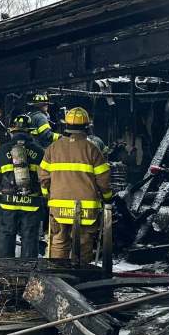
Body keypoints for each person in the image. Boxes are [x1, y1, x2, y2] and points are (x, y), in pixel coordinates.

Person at [38, 107, 112, 263]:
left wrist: (48, 195)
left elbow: (43, 177)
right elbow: (104, 180)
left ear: (66, 126)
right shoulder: (93, 149)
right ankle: (80, 277)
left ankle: (58, 276)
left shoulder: (53, 148)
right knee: (84, 244)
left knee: (58, 242)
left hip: (58, 207)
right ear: (87, 126)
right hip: (86, 209)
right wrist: (107, 198)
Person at [0, 115, 44, 258]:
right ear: (30, 132)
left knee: (6, 236)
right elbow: (45, 178)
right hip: (31, 205)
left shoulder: (2, 151)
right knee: (29, 239)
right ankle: (27, 274)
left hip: (8, 204)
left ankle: (5, 272)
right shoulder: (40, 152)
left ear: (12, 131)